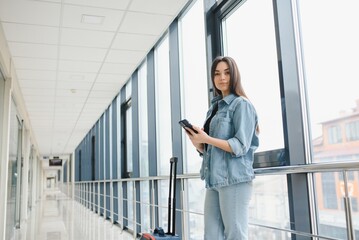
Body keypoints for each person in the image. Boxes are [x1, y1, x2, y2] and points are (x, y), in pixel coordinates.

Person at [183, 56, 259, 240]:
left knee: (235, 235)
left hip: (234, 181)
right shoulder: (214, 108)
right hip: (214, 180)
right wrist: (199, 144)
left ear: (234, 75)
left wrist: (208, 138)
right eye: (217, 74)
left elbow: (240, 146)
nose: (222, 77)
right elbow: (213, 150)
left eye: (226, 72)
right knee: (211, 235)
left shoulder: (242, 105)